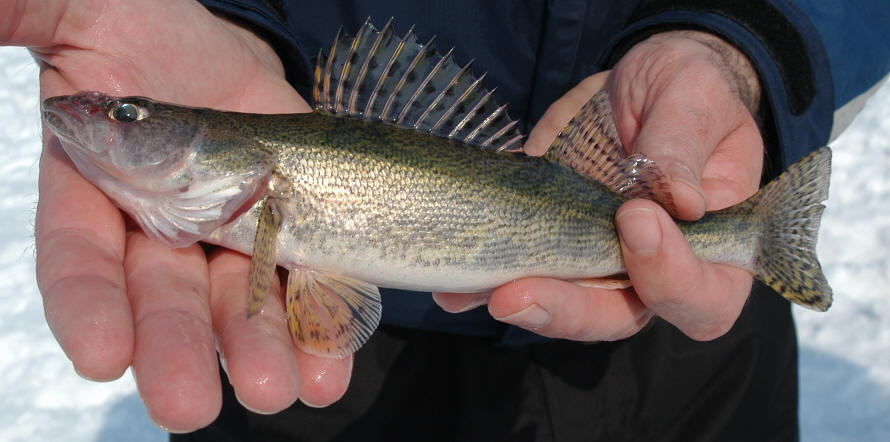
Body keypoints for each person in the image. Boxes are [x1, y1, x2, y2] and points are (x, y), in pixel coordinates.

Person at [4, 0, 888, 439]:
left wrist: (751, 42)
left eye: (131, 117)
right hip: (360, 384)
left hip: (678, 351)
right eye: (130, 115)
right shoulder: (252, 187)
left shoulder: (259, 187)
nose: (115, 119)